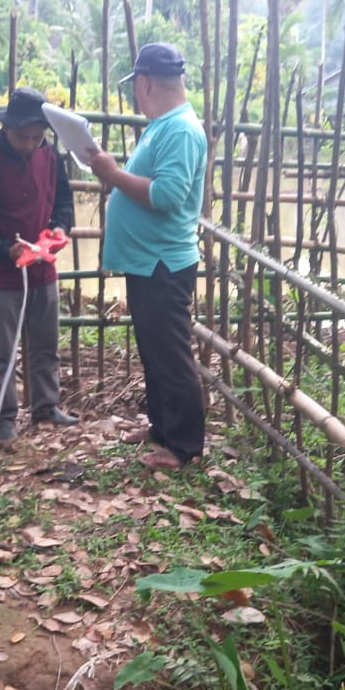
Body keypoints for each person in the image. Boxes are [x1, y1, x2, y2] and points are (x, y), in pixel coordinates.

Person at [87, 42, 208, 470]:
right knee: (154, 350)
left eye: (135, 87)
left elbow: (167, 195)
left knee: (171, 355)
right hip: (148, 260)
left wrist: (113, 174)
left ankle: (185, 445)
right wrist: (117, 175)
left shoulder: (180, 130)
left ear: (145, 83)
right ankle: (161, 428)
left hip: (163, 261)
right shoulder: (163, 125)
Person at [0, 87, 78, 442]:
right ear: (6, 129)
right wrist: (5, 249)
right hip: (2, 272)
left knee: (45, 342)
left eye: (36, 137)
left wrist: (59, 227)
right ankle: (5, 420)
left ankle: (45, 407)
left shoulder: (52, 157)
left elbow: (64, 203)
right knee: (4, 351)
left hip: (43, 267)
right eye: (21, 137)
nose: (29, 144)